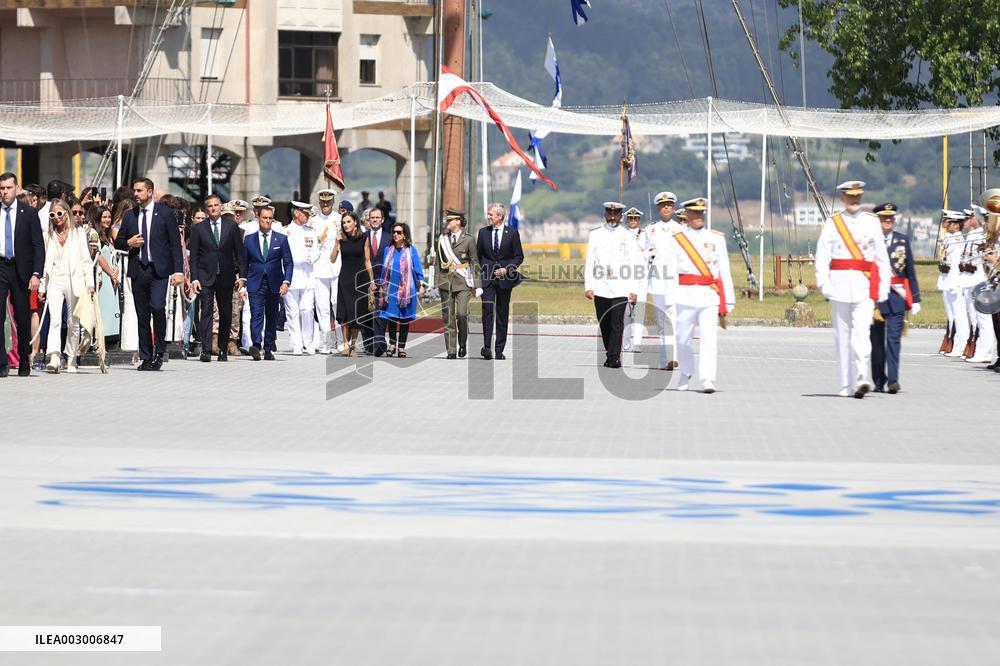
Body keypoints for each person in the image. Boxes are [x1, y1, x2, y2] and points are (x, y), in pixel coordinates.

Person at [815, 180, 891, 398]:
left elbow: (881, 258)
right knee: (842, 337)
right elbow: (823, 254)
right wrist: (824, 283)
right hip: (838, 285)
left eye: (858, 196)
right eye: (850, 196)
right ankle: (845, 384)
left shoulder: (871, 222)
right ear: (843, 198)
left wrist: (883, 288)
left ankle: (861, 378)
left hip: (863, 286)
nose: (854, 200)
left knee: (862, 334)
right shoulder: (833, 223)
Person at [113, 178, 184, 370]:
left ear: (150, 192)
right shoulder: (129, 216)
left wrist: (179, 271)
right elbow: (118, 241)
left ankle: (160, 351)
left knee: (158, 307)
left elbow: (175, 244)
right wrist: (129, 243)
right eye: (134, 191)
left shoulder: (165, 214)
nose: (135, 194)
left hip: (159, 270)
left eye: (139, 191)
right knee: (142, 314)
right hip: (139, 270)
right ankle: (146, 355)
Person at [668, 197, 736, 392]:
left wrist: (728, 300)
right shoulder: (678, 239)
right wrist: (670, 299)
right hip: (684, 295)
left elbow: (724, 270)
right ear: (687, 215)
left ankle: (707, 379)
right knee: (682, 338)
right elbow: (671, 271)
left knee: (709, 338)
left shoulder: (716, 238)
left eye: (701, 213)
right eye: (695, 213)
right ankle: (686, 372)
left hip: (709, 296)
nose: (699, 216)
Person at [37, 199, 95, 373]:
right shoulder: (48, 235)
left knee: (73, 322)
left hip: (74, 280)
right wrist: (42, 287)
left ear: (67, 213)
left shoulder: (77, 233)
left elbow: (86, 260)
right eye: (52, 214)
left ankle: (71, 358)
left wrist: (89, 283)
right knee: (55, 319)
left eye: (60, 213)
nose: (56, 218)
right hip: (55, 280)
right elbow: (44, 264)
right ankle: (54, 356)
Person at [869, 202, 921, 394]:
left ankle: (893, 380)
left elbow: (910, 271)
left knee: (894, 341)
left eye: (891, 218)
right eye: (884, 217)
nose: (888, 220)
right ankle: (878, 380)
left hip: (897, 296)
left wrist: (915, 298)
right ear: (878, 220)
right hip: (875, 298)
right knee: (876, 343)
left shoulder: (902, 240)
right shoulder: (870, 241)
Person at [188, 197, 247, 362]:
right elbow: (194, 257)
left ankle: (222, 349)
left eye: (216, 205)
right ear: (206, 209)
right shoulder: (199, 228)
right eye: (210, 206)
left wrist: (242, 276)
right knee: (206, 312)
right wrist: (194, 278)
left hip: (226, 276)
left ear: (221, 207)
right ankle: (206, 349)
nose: (213, 208)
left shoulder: (232, 227)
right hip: (206, 276)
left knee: (226, 312)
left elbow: (239, 253)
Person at [584, 202, 641, 369]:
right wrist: (588, 286)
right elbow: (590, 262)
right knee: (604, 322)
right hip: (601, 285)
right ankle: (610, 352)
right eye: (610, 213)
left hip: (620, 286)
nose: (613, 217)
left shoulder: (628, 236)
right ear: (605, 214)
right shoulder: (595, 235)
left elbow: (634, 264)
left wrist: (633, 289)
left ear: (621, 215)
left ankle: (614, 357)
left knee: (617, 322)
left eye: (616, 214)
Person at [0, 171, 44, 377]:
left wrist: (36, 273)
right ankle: (2, 362)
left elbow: (38, 245)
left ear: (17, 189)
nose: (5, 192)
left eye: (8, 188)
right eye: (2, 188)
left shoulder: (28, 213)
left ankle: (24, 358)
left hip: (21, 269)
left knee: (23, 315)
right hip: (1, 266)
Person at [242, 206, 292, 361]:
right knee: (256, 314)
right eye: (264, 218)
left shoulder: (281, 238)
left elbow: (289, 262)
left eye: (270, 218)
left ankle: (269, 348)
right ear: (258, 218)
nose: (267, 221)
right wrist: (243, 283)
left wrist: (286, 282)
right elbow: (244, 263)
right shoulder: (249, 239)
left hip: (275, 283)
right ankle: (256, 345)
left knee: (272, 316)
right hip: (255, 282)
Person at [476, 202, 523, 360]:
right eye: (488, 214)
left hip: (504, 280)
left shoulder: (512, 234)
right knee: (487, 311)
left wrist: (507, 269)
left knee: (502, 314)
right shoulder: (483, 233)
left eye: (491, 214)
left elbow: (519, 256)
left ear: (500, 217)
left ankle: (499, 350)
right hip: (487, 279)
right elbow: (478, 255)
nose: (488, 217)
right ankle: (487, 347)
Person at [646, 191, 683, 370]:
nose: (666, 207)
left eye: (669, 205)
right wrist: (648, 255)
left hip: (675, 281)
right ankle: (664, 360)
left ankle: (673, 357)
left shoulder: (681, 229)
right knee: (661, 323)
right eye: (663, 205)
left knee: (674, 320)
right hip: (658, 280)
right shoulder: (650, 230)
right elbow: (642, 253)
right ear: (658, 208)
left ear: (674, 208)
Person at [437, 210, 481, 359]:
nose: (447, 223)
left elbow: (474, 262)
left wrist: (477, 284)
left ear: (458, 222)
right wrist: (437, 280)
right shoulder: (442, 239)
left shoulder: (468, 239)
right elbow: (439, 262)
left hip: (462, 282)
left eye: (450, 220)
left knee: (462, 314)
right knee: (448, 317)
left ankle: (462, 343)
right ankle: (451, 350)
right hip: (445, 281)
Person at [376, 221, 425, 358]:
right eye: (394, 232)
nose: (396, 234)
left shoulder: (411, 250)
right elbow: (384, 270)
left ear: (404, 235)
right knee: (391, 318)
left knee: (404, 318)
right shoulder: (388, 250)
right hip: (390, 289)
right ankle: (392, 346)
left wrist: (421, 285)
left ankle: (402, 347)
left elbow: (418, 269)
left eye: (399, 232)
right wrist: (381, 287)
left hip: (407, 290)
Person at [332, 210, 373, 356]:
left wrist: (372, 281)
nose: (346, 224)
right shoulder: (341, 239)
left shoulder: (364, 238)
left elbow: (367, 260)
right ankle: (345, 344)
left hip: (360, 279)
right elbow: (332, 258)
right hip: (345, 279)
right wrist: (336, 243)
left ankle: (354, 346)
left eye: (348, 221)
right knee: (345, 312)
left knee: (357, 313)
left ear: (355, 222)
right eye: (344, 222)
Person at [284, 201, 321, 355]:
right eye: (305, 213)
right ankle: (296, 344)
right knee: (292, 312)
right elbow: (285, 254)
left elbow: (317, 250)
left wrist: (312, 257)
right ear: (297, 213)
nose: (308, 216)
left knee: (307, 309)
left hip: (308, 275)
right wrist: (298, 258)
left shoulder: (310, 231)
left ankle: (308, 342)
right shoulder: (286, 231)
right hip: (292, 276)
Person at [312, 189, 344, 354]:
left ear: (333, 202)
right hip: (319, 267)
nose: (325, 205)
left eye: (328, 202)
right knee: (322, 306)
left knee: (336, 304)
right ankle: (325, 341)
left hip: (336, 267)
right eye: (323, 202)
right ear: (319, 202)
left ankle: (339, 340)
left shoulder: (340, 219)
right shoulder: (313, 221)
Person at [936, 210, 967, 355]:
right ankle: (954, 343)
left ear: (956, 225)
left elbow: (956, 264)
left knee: (959, 315)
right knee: (952, 315)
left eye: (948, 222)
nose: (945, 224)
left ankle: (960, 345)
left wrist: (955, 283)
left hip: (954, 281)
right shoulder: (950, 238)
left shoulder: (956, 239)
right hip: (947, 280)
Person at [621, 206, 651, 353]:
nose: (633, 221)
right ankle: (626, 339)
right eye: (631, 218)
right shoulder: (622, 234)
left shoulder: (646, 235)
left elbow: (652, 252)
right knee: (626, 311)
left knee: (639, 310)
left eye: (636, 218)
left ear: (639, 220)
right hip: (626, 276)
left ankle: (637, 342)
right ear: (627, 220)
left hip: (641, 276)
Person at [364, 206, 392, 355]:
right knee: (367, 313)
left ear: (382, 220)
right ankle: (369, 344)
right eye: (372, 217)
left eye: (377, 217)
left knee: (380, 313)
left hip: (384, 279)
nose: (374, 220)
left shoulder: (389, 237)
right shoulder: (364, 236)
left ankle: (379, 344)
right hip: (366, 279)